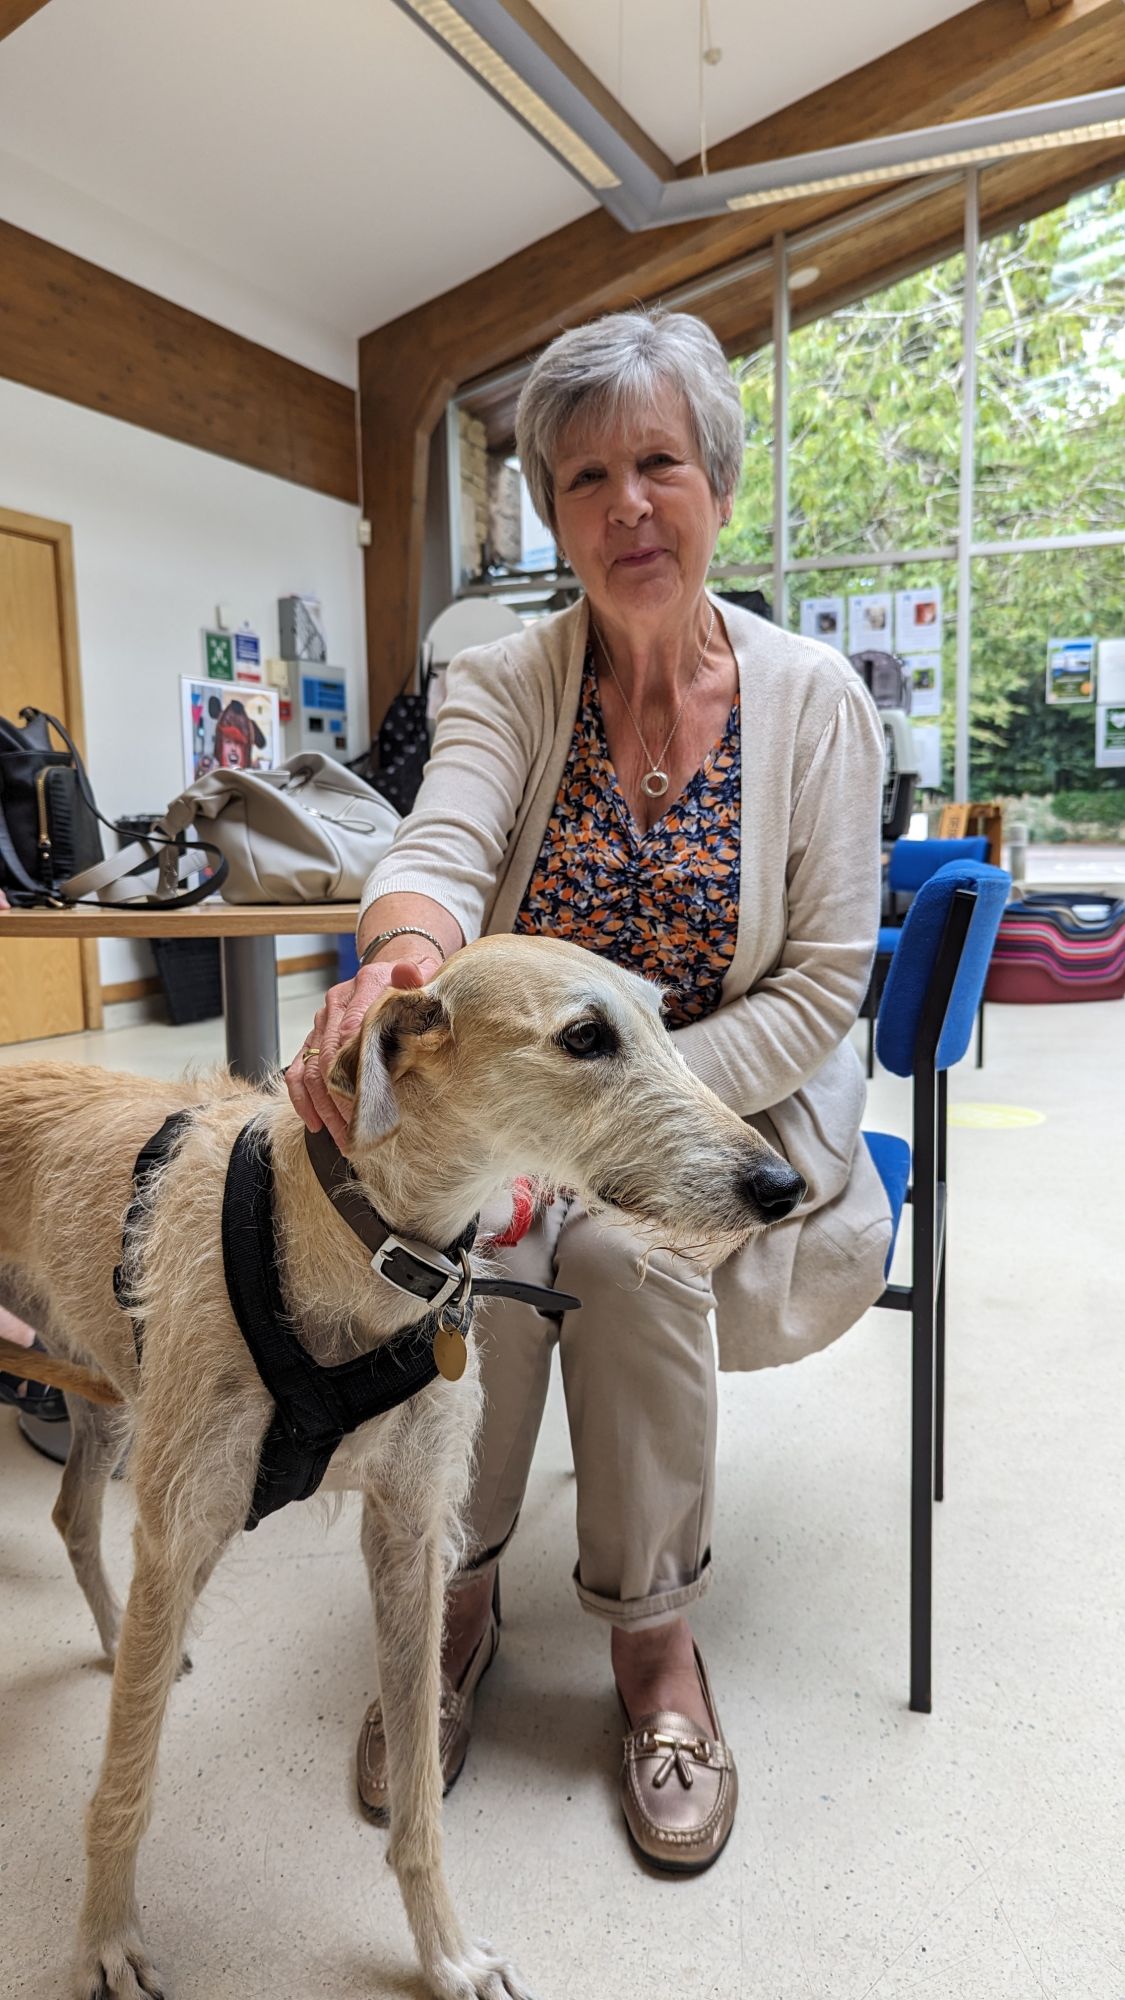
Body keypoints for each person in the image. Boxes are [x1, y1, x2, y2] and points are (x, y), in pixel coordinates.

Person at [287, 308, 891, 1872]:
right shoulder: (501, 678)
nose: (626, 504)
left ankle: (650, 1638)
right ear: (551, 515)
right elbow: (435, 850)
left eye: (658, 463)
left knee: (621, 1252)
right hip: (521, 1105)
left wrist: (614, 1112)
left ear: (717, 486)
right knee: (466, 1245)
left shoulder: (813, 698)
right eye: (584, 478)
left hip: (727, 1099)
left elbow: (825, 984)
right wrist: (397, 965)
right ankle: (456, 1593)